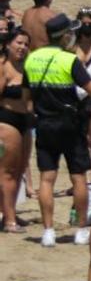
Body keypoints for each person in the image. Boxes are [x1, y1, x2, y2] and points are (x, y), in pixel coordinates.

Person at [28, 13, 91, 248]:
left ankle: (48, 230)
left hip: (44, 123)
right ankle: (81, 229)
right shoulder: (68, 60)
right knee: (78, 175)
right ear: (64, 36)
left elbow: (26, 96)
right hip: (69, 124)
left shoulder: (33, 59)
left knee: (46, 178)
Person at [0, 30, 32, 234]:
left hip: (26, 121)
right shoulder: (3, 67)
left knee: (20, 171)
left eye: (26, 44)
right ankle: (9, 219)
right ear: (9, 44)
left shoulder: (28, 67)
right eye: (19, 43)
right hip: (6, 120)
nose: (22, 47)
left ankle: (8, 211)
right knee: (7, 173)